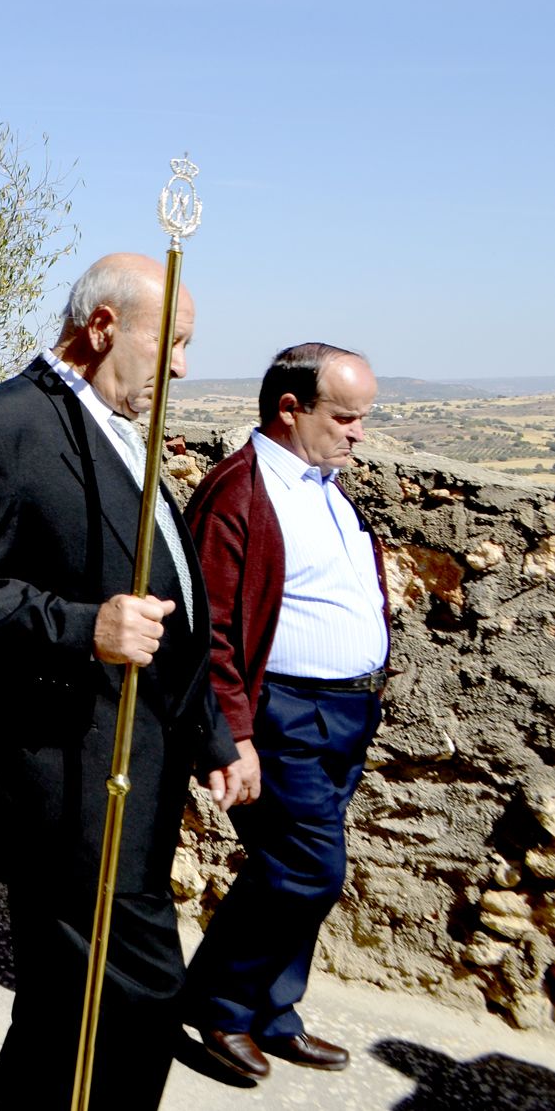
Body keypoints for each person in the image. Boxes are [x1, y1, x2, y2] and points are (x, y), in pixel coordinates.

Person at [0, 253, 255, 1110]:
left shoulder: (115, 423)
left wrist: (213, 733)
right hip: (59, 774)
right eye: (170, 342)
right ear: (102, 327)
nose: (181, 366)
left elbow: (169, 594)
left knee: (69, 1001)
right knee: (137, 993)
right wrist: (80, 626)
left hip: (135, 769)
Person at [181, 344, 390, 1081]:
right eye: (345, 417)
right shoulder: (238, 491)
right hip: (284, 714)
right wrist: (234, 735)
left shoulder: (324, 483)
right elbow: (209, 629)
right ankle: (216, 1004)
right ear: (290, 408)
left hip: (347, 710)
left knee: (292, 864)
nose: (358, 432)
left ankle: (272, 1012)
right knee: (309, 866)